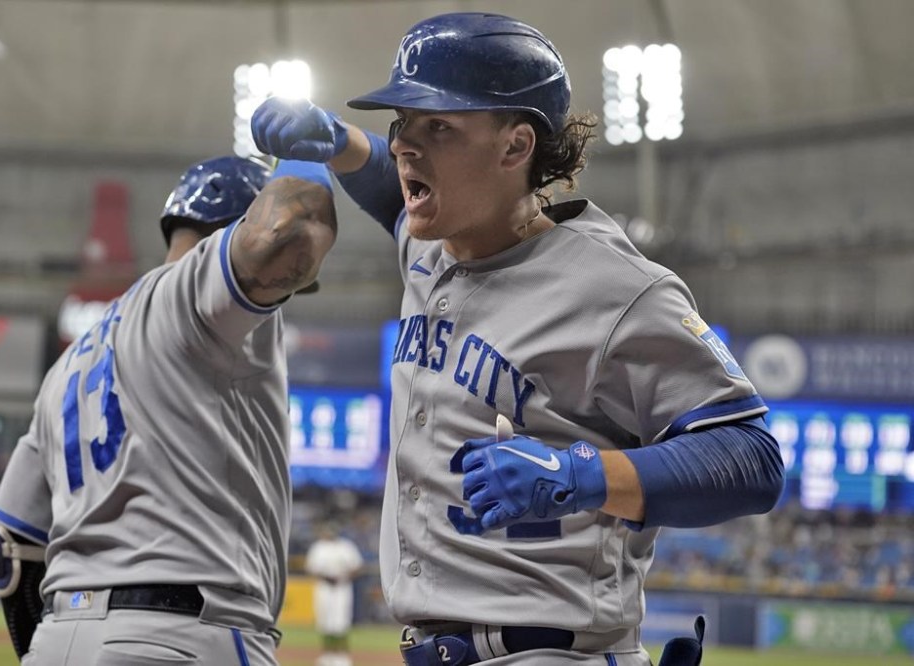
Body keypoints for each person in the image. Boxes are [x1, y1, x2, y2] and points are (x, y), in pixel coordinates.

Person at [250, 11, 785, 666]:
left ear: (515, 146)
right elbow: (399, 197)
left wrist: (582, 474)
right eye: (401, 126)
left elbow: (752, 458)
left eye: (438, 126)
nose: (404, 145)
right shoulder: (433, 248)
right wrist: (338, 142)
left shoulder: (617, 287)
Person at [0, 155, 337, 665]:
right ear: (230, 231)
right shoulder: (193, 299)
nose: (283, 291)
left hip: (57, 638)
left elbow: (1, 541)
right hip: (184, 634)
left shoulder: (68, 366)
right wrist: (306, 160)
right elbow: (287, 230)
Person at [304, 523, 365, 666]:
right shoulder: (318, 547)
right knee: (324, 622)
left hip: (342, 587)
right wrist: (326, 576)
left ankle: (342, 656)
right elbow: (310, 568)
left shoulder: (346, 547)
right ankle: (327, 655)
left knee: (341, 623)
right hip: (324, 587)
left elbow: (358, 567)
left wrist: (343, 577)